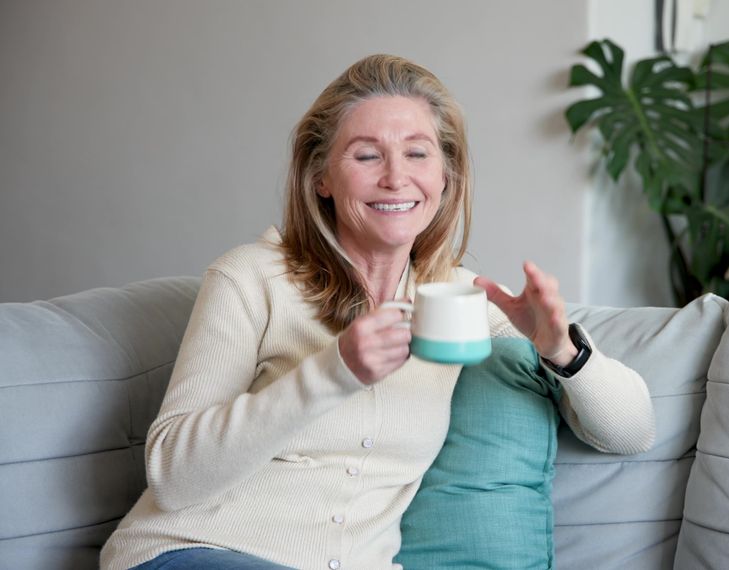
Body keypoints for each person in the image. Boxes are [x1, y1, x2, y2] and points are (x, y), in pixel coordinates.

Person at [100, 54, 656, 570]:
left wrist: (560, 350)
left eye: (417, 153)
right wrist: (333, 371)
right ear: (321, 178)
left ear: (445, 177)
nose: (396, 177)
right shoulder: (250, 278)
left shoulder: (457, 300)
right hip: (194, 550)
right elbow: (173, 476)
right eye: (366, 155)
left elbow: (633, 432)